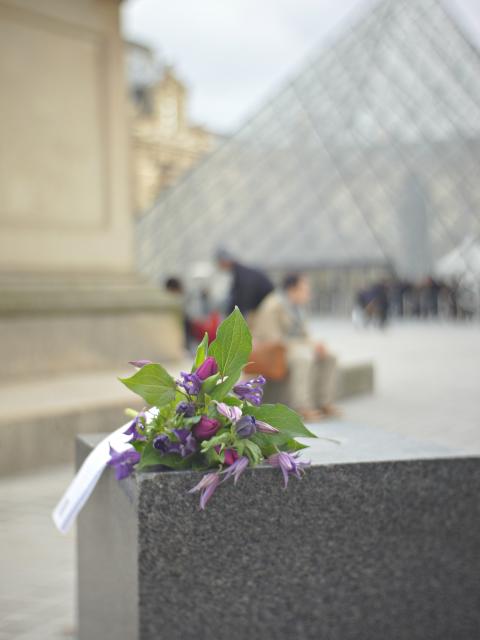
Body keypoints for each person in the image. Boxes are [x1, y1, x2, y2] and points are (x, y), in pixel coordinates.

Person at [253, 273, 339, 421]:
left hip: (291, 349)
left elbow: (305, 335)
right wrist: (309, 347)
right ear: (292, 289)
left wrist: (315, 345)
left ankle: (323, 402)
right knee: (303, 358)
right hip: (272, 351)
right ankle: (301, 407)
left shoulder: (297, 308)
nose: (308, 294)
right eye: (305, 289)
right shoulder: (273, 305)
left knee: (330, 356)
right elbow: (273, 339)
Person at [216, 248, 274, 321]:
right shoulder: (239, 272)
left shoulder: (241, 274)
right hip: (263, 304)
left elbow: (244, 297)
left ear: (224, 261)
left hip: (267, 303)